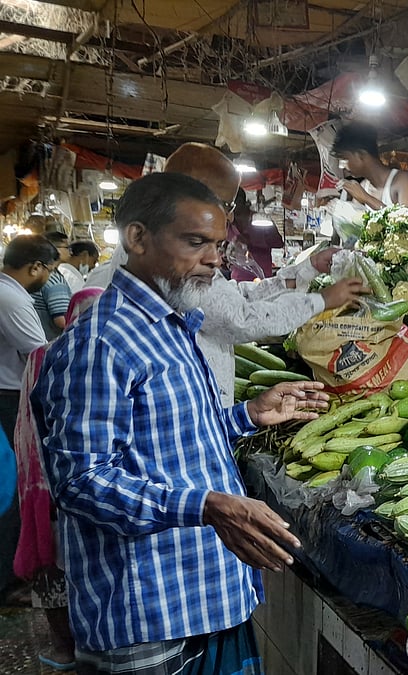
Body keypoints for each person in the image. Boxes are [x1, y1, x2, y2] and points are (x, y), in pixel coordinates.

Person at [32, 173, 330, 674]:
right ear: (138, 238)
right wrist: (208, 506)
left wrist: (247, 415)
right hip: (148, 613)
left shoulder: (171, 324)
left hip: (204, 593)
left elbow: (163, 437)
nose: (213, 259)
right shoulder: (101, 341)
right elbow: (81, 482)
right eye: (195, 242)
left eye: (217, 245)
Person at [88, 142, 368, 405]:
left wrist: (307, 269)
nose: (230, 217)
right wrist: (321, 300)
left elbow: (232, 296)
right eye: (226, 204)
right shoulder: (159, 268)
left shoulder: (169, 258)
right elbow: (241, 319)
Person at [13, 287, 101, 671]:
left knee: (53, 567)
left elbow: (26, 427)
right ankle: (89, 645)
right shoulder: (102, 357)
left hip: (47, 483)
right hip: (84, 485)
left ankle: (65, 649)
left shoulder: (43, 356)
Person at [0, 234, 57, 598]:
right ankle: (8, 578)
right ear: (34, 266)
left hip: (7, 396)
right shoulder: (12, 299)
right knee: (11, 488)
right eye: (47, 271)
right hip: (8, 400)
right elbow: (40, 355)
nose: (47, 279)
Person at [333, 121, 408, 210]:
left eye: (344, 158)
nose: (341, 166)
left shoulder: (401, 180)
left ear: (361, 155)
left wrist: (366, 198)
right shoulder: (362, 187)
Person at [227, 188, 284, 282]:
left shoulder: (261, 219)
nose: (230, 207)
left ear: (240, 201)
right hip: (238, 278)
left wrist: (253, 243)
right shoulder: (228, 224)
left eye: (231, 203)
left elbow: (279, 243)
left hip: (261, 277)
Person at [31, 231, 72, 340]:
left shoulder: (41, 275)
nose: (70, 252)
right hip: (50, 341)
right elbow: (62, 321)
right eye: (67, 247)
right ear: (55, 249)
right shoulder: (54, 279)